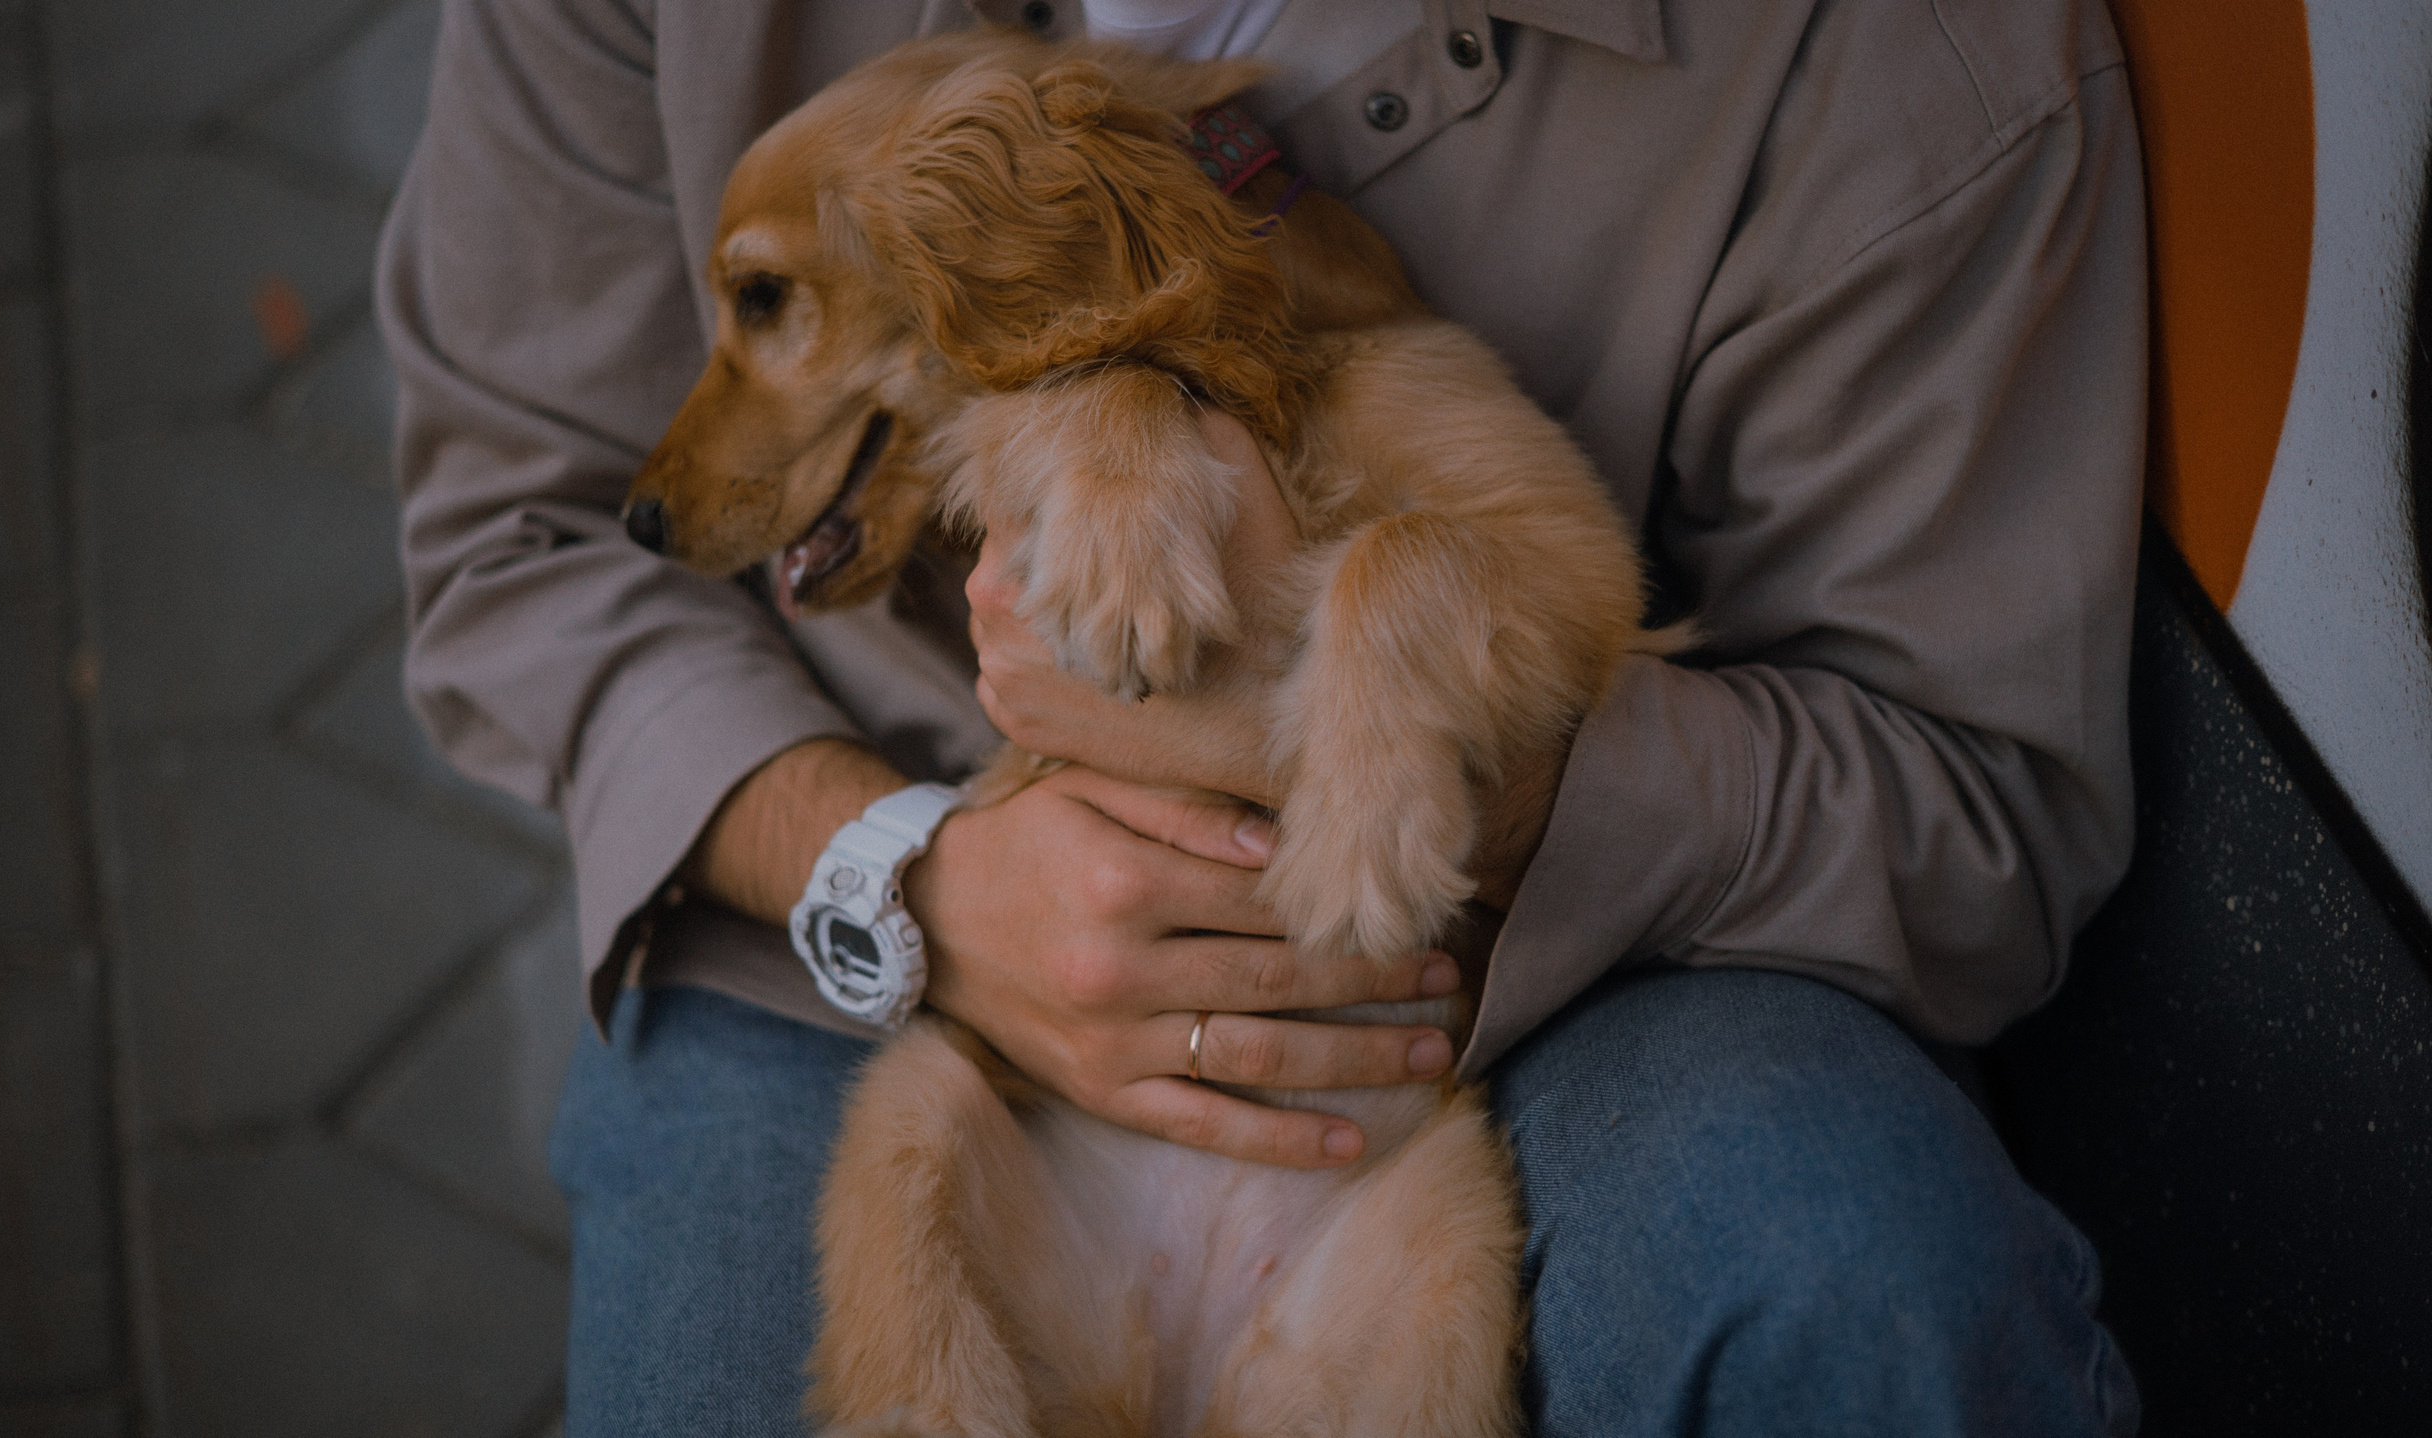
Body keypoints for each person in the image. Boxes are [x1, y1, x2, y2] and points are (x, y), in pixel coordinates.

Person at [379, 0, 2149, 1431]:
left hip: (1562, 971)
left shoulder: (1911, 55)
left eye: (765, 305)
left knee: (1855, 1282)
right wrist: (909, 877)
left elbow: (1972, 810)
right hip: (851, 945)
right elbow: (514, 531)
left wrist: (1486, 786)